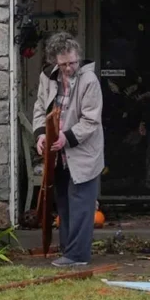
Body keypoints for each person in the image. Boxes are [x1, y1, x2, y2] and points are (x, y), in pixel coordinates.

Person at [29, 31, 103, 267]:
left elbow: (91, 120)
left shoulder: (89, 81)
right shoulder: (47, 77)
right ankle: (67, 250)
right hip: (57, 152)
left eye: (73, 62)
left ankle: (78, 255)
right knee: (63, 201)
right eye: (64, 64)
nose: (69, 68)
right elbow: (40, 107)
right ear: (55, 62)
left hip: (82, 152)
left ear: (77, 57)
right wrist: (41, 134)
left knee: (81, 203)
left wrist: (67, 137)